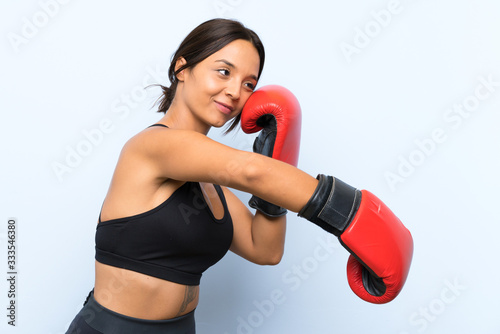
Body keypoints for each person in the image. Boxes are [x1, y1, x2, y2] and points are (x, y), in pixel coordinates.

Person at [66, 18, 413, 334]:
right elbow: (250, 171)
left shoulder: (208, 184)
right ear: (182, 68)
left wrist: (277, 164)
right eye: (223, 72)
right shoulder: (152, 146)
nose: (235, 92)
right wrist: (353, 215)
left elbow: (265, 249)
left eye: (249, 83)